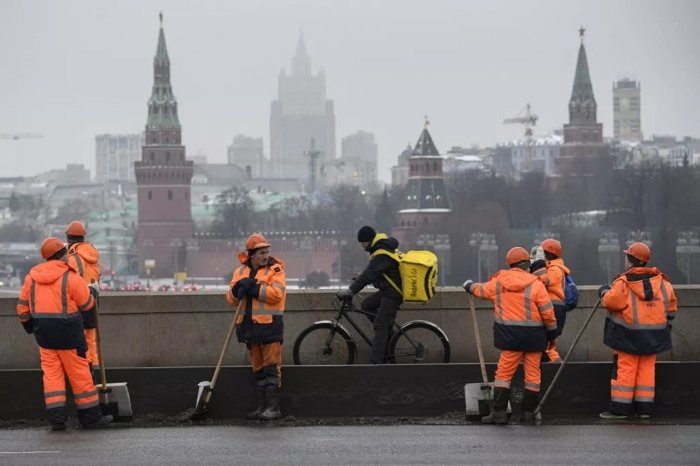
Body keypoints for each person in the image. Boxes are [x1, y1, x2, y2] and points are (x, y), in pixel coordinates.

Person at [16, 237, 112, 430]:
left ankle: (57, 420)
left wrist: (30, 327)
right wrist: (92, 292)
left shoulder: (31, 279)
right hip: (70, 334)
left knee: (52, 377)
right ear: (61, 256)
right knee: (80, 375)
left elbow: (22, 310)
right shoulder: (70, 277)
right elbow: (86, 304)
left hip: (44, 336)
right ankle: (90, 418)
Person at [463, 246, 557, 425]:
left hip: (509, 337)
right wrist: (552, 334)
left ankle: (498, 412)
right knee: (532, 376)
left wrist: (468, 286)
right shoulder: (536, 284)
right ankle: (529, 413)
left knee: (504, 374)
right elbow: (548, 312)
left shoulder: (499, 282)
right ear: (527, 264)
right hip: (534, 338)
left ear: (510, 264)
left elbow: (481, 290)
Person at [597, 242, 677, 420]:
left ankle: (620, 409)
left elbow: (611, 302)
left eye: (626, 257)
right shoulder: (663, 283)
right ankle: (644, 409)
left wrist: (603, 292)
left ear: (630, 262)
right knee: (647, 371)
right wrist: (665, 329)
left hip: (627, 336)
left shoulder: (623, 283)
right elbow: (671, 309)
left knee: (625, 370)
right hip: (654, 337)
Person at [225, 233, 286, 420]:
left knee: (271, 369)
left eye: (267, 252)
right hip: (249, 328)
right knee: (258, 369)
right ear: (251, 254)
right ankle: (262, 407)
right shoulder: (240, 272)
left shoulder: (275, 270)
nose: (265, 256)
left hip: (269, 326)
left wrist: (254, 288)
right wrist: (237, 290)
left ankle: (273, 408)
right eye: (261, 253)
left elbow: (277, 294)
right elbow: (231, 299)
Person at [336, 225, 403, 364]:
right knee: (367, 305)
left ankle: (376, 362)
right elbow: (379, 273)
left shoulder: (382, 252)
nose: (361, 246)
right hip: (388, 290)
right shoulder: (381, 249)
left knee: (380, 324)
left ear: (368, 240)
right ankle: (387, 337)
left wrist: (351, 291)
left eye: (362, 243)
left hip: (393, 293)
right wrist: (361, 277)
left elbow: (369, 275)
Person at [65, 220, 103, 382]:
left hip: (79, 301)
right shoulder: (91, 254)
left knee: (79, 339)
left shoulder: (73, 258)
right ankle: (94, 369)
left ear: (68, 237)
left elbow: (68, 281)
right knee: (91, 338)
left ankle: (85, 370)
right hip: (93, 299)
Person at [530, 238, 571, 363]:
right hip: (550, 308)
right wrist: (533, 262)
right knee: (546, 345)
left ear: (550, 254)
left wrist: (539, 263)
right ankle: (554, 370)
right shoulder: (550, 267)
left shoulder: (556, 269)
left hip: (553, 309)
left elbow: (544, 281)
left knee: (547, 347)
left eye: (543, 252)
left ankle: (556, 369)